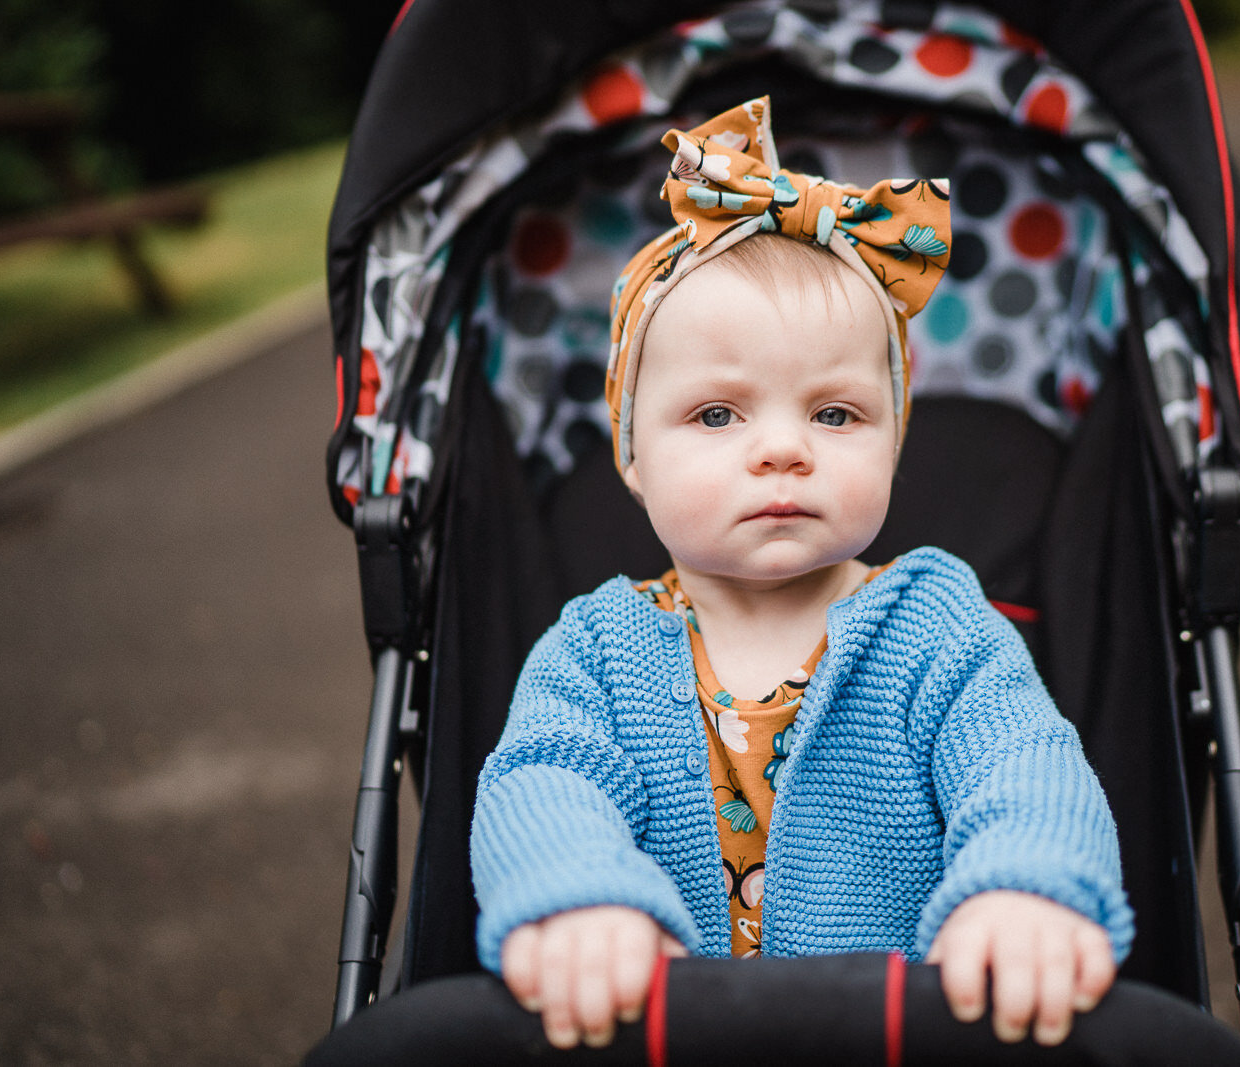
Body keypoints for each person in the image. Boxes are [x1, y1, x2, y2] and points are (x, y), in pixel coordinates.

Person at [471, 95, 1133, 1053]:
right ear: (630, 454)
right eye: (715, 416)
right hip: (661, 1034)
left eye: (835, 415)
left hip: (903, 1039)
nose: (782, 449)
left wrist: (1024, 886)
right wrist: (580, 903)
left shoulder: (940, 625)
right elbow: (543, 782)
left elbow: (1022, 765)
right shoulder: (593, 651)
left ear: (897, 443)